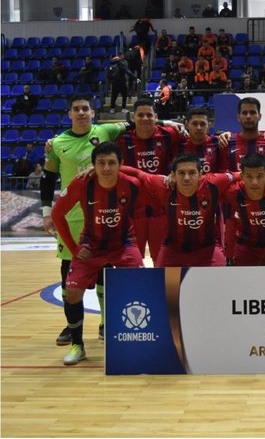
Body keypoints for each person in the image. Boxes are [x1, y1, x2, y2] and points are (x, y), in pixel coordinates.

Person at [42, 94, 131, 346]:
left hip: (102, 216)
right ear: (69, 114)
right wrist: (46, 213)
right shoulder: (57, 143)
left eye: (85, 109)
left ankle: (106, 322)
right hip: (70, 220)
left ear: (93, 113)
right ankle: (72, 327)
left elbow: (138, 122)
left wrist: (171, 124)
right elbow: (48, 180)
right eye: (76, 109)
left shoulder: (105, 130)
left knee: (105, 273)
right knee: (67, 276)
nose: (81, 113)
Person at [51, 142, 144, 365]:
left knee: (142, 285)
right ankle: (77, 345)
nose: (106, 168)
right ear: (92, 166)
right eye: (101, 163)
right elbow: (57, 214)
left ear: (121, 164)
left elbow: (148, 202)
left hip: (123, 244)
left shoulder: (132, 184)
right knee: (72, 293)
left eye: (112, 163)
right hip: (91, 246)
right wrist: (74, 249)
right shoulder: (82, 184)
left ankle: (137, 341)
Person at [120, 154, 234, 267]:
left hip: (208, 248)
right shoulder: (163, 185)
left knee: (218, 282)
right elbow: (138, 173)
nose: (186, 178)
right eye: (181, 173)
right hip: (173, 249)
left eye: (192, 173)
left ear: (200, 174)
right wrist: (109, 169)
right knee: (168, 285)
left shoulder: (213, 182)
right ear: (173, 175)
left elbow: (240, 174)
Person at [115, 99, 186, 264]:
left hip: (161, 210)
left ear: (156, 116)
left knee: (162, 260)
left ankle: (165, 291)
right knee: (129, 262)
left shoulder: (170, 134)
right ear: (133, 117)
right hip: (132, 210)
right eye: (141, 115)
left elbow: (197, 137)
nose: (145, 118)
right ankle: (132, 290)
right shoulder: (121, 138)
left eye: (149, 115)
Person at [219, 97, 265, 172]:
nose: (248, 116)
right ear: (238, 117)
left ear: (260, 116)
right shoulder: (227, 142)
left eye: (252, 112)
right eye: (244, 113)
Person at [181, 107, 222, 174]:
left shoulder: (219, 142)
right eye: (194, 124)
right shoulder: (178, 144)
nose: (199, 128)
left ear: (209, 125)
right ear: (187, 125)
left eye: (203, 124)